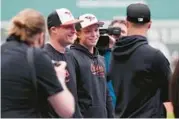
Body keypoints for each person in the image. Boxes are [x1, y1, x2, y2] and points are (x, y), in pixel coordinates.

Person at [1, 9, 75, 118]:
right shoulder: (36, 56)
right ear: (41, 36)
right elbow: (67, 110)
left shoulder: (3, 51)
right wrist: (59, 78)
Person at [108, 3, 171, 118]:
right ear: (150, 24)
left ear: (127, 22)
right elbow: (169, 94)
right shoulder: (155, 56)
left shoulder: (112, 54)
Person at [69, 14, 114, 118]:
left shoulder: (100, 59)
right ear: (78, 34)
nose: (94, 34)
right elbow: (72, 97)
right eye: (88, 31)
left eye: (96, 30)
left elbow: (106, 95)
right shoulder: (71, 57)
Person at [43, 8, 83, 118]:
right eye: (68, 27)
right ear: (54, 29)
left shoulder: (71, 55)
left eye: (74, 26)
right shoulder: (43, 57)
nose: (74, 30)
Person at [104, 19, 128, 107]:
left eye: (122, 31)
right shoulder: (100, 54)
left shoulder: (135, 56)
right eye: (115, 31)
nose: (118, 34)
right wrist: (108, 48)